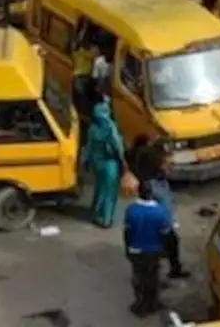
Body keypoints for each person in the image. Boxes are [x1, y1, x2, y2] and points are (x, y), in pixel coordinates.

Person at [126, 137, 188, 279]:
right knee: (170, 240)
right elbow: (166, 206)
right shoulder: (156, 173)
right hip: (157, 227)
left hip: (142, 245)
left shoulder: (141, 155)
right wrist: (170, 221)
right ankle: (173, 268)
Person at [123, 180, 172, 317]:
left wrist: (127, 248)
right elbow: (166, 234)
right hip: (154, 251)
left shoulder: (131, 210)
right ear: (152, 194)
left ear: (139, 192)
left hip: (136, 251)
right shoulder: (160, 212)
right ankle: (153, 303)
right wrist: (165, 251)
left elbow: (127, 232)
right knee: (153, 277)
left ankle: (141, 304)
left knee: (139, 278)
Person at [81, 99, 125, 228]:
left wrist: (85, 162)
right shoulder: (110, 126)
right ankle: (106, 219)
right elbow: (117, 145)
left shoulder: (92, 129)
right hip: (110, 163)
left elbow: (88, 147)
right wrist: (123, 160)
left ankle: (97, 213)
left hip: (97, 163)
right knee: (110, 191)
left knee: (100, 188)